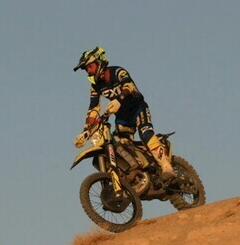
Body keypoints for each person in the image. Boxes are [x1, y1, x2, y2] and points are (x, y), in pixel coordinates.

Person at [73, 46, 175, 182]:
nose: (88, 71)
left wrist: (119, 99)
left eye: (89, 67)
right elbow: (93, 108)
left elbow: (129, 86)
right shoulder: (95, 86)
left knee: (146, 134)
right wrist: (86, 128)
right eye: (86, 69)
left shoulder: (118, 72)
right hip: (122, 117)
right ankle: (139, 168)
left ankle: (167, 167)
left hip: (138, 109)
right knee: (118, 143)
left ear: (99, 62)